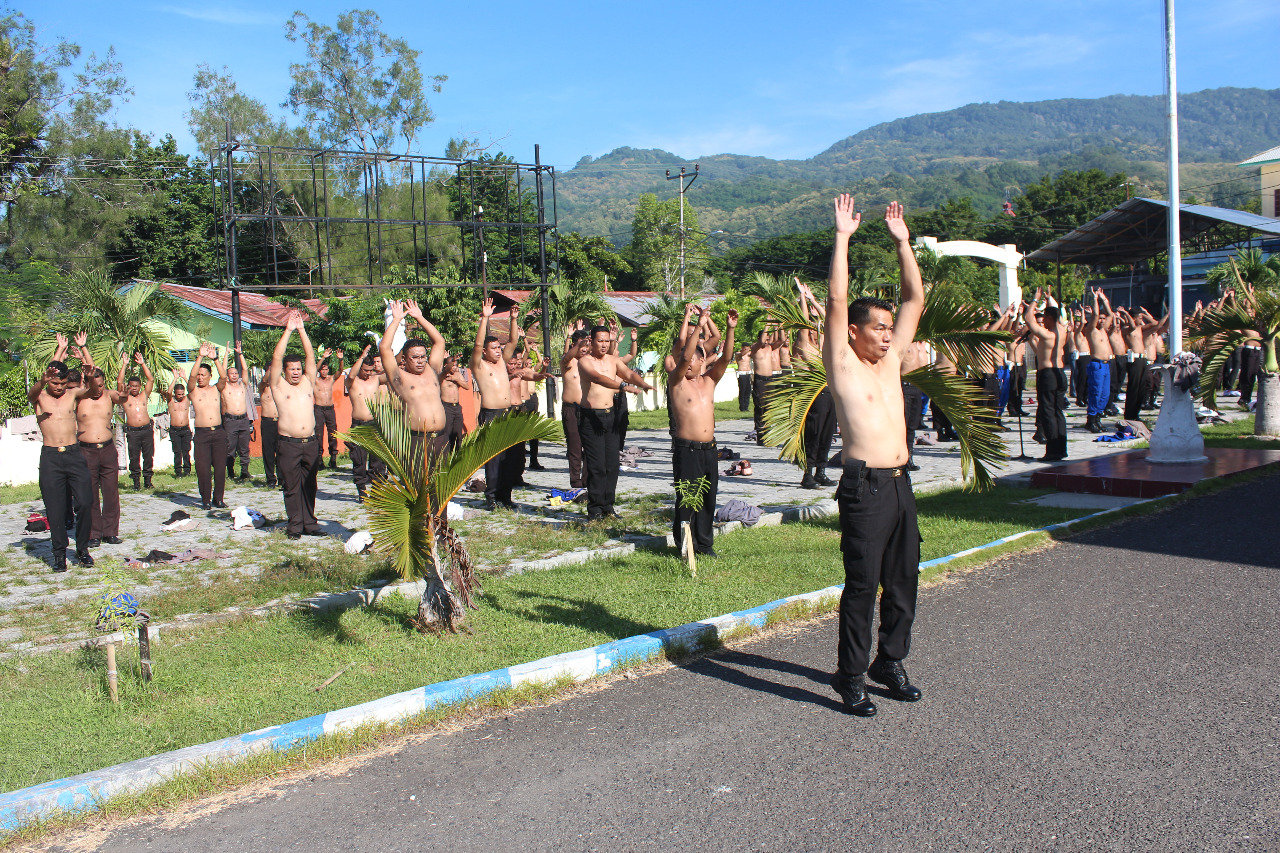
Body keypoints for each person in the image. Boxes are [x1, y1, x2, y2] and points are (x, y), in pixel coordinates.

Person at [824, 195, 925, 718]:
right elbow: (837, 300)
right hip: (864, 489)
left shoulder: (891, 365)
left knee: (904, 579)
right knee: (863, 587)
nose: (888, 335)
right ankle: (851, 676)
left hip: (900, 484)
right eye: (878, 328)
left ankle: (891, 661)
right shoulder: (843, 363)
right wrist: (843, 237)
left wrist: (903, 242)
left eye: (890, 329)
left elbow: (914, 299)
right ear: (855, 333)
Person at [668, 306, 736, 557]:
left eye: (695, 359)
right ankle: (685, 545)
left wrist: (730, 329)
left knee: (707, 499)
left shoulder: (708, 381)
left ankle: (705, 544)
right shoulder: (676, 383)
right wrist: (699, 325)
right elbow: (683, 358)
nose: (688, 363)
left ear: (702, 361)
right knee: (687, 500)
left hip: (710, 450)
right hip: (688, 450)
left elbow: (726, 358)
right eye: (686, 359)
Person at [28, 334, 94, 571]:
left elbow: (93, 387)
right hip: (51, 457)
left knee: (86, 502)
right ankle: (58, 554)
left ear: (68, 382)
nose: (58, 388)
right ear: (48, 382)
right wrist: (56, 356)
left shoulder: (72, 395)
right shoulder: (40, 398)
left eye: (62, 383)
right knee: (54, 508)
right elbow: (34, 391)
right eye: (54, 383)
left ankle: (82, 549)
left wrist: (87, 364)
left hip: (74, 455)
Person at [577, 323, 655, 520]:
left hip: (610, 416)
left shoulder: (613, 360)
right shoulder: (584, 362)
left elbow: (628, 373)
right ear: (591, 341)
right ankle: (595, 508)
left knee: (612, 464)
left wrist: (642, 383)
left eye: (606, 341)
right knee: (597, 466)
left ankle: (608, 506)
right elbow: (598, 378)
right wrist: (622, 387)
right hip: (590, 417)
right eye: (599, 341)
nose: (604, 345)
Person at [268, 311, 322, 539]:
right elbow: (276, 359)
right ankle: (295, 526)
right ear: (285, 371)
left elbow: (310, 357)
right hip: (288, 444)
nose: (297, 371)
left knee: (310, 485)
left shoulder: (308, 383)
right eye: (292, 369)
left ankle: (310, 523)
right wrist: (288, 330)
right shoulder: (279, 386)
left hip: (310, 442)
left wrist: (302, 330)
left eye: (299, 368)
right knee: (291, 487)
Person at [471, 299, 525, 510]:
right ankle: (491, 497)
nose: (497, 351)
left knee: (509, 458)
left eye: (498, 348)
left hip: (507, 413)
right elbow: (476, 345)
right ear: (485, 351)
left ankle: (505, 496)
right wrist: (485, 318)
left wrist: (513, 319)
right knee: (493, 459)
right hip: (491, 414)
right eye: (493, 348)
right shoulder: (479, 365)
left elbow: (512, 341)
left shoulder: (502, 362)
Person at [380, 299, 448, 460]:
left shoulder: (432, 371)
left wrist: (419, 317)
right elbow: (384, 349)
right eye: (415, 357)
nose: (420, 360)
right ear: (404, 359)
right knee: (418, 485)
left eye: (423, 356)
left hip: (441, 438)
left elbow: (439, 342)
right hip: (416, 440)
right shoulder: (400, 378)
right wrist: (396, 320)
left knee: (444, 485)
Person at [75, 351, 125, 549]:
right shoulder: (79, 396)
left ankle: (110, 532)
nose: (98, 388)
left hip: (107, 449)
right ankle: (94, 533)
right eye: (94, 384)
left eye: (101, 384)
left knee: (111, 492)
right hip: (86, 451)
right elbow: (89, 374)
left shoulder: (109, 395)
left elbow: (121, 398)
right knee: (91, 494)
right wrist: (84, 355)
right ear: (87, 383)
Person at [795, 280, 836, 488]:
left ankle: (821, 470)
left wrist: (814, 300)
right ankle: (807, 473)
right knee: (813, 433)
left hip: (831, 393)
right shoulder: (805, 345)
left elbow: (832, 322)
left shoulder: (825, 343)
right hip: (816, 395)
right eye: (810, 324)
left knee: (827, 434)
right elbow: (803, 322)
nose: (812, 327)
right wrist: (803, 298)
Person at [1022, 289, 1069, 462]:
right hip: (1060, 372)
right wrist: (1049, 299)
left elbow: (1028, 319)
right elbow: (1057, 314)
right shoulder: (1062, 331)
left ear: (1049, 318)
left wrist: (1035, 300)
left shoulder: (1048, 334)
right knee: (1058, 411)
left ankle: (1052, 451)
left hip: (1048, 373)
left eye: (1045, 318)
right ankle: (1061, 448)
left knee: (1048, 412)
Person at [345, 344, 388, 502]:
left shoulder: (375, 379)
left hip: (374, 424)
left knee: (377, 460)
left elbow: (391, 372)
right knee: (359, 460)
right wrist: (362, 356)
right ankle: (362, 490)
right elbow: (350, 376)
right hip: (359, 425)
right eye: (365, 370)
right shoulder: (353, 382)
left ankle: (377, 490)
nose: (368, 373)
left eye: (371, 370)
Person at [188, 342, 228, 510]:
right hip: (202, 435)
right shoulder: (193, 391)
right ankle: (205, 499)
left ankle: (218, 498)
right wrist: (200, 356)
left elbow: (224, 378)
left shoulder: (216, 389)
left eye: (203, 375)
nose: (200, 377)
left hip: (218, 433)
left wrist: (216, 359)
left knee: (219, 469)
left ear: (210, 375)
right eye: (199, 375)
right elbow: (190, 378)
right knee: (203, 469)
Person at [118, 352, 156, 490]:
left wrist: (143, 364)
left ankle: (148, 481)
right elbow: (119, 382)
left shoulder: (143, 396)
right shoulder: (125, 398)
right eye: (131, 386)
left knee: (148, 456)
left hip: (146, 430)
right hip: (133, 432)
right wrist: (124, 364)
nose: (134, 388)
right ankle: (136, 482)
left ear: (140, 386)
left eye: (136, 386)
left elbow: (150, 380)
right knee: (134, 457)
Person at [559, 327, 591, 490]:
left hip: (587, 408)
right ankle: (575, 481)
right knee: (574, 446)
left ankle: (587, 480)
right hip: (571, 408)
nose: (584, 349)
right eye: (581, 345)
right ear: (574, 345)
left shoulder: (590, 363)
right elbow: (568, 355)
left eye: (586, 345)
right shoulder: (567, 362)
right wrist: (574, 342)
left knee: (589, 446)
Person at [218, 342, 254, 482]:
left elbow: (245, 370)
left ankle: (245, 471)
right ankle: (230, 471)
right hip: (230, 420)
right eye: (231, 373)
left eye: (235, 373)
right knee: (230, 447)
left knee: (244, 447)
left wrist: (240, 354)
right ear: (227, 376)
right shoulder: (224, 387)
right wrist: (226, 353)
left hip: (243, 420)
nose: (234, 375)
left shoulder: (242, 385)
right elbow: (222, 370)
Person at [1083, 289, 1114, 433]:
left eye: (1103, 318)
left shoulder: (1104, 330)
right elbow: (1095, 315)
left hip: (1106, 365)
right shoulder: (1091, 330)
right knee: (1095, 392)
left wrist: (1105, 300)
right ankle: (1091, 419)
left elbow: (1111, 315)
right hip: (1097, 364)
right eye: (1099, 318)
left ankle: (1098, 417)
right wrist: (1095, 299)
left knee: (1105, 394)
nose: (1102, 320)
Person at [749, 325, 784, 445]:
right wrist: (768, 324)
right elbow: (762, 341)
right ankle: (760, 435)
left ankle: (768, 433)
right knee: (760, 407)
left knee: (769, 408)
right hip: (760, 381)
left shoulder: (770, 348)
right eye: (766, 338)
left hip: (770, 380)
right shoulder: (755, 348)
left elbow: (781, 340)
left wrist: (781, 326)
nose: (767, 341)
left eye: (769, 339)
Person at [313, 348, 344, 470]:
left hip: (330, 409)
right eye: (322, 370)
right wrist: (323, 357)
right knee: (318, 434)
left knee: (333, 433)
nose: (324, 372)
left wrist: (340, 359)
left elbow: (340, 371)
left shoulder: (331, 379)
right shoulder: (315, 381)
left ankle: (333, 459)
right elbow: (313, 370)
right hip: (319, 409)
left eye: (326, 369)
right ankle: (319, 460)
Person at [160, 367, 192, 477]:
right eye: (179, 394)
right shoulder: (171, 402)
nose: (181, 396)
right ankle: (178, 472)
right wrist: (175, 378)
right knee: (177, 452)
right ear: (175, 394)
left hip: (186, 429)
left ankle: (187, 471)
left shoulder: (187, 400)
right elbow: (168, 392)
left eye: (182, 394)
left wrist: (184, 377)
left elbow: (193, 390)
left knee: (186, 452)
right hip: (175, 430)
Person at [257, 376, 280, 489]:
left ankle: (283, 478)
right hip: (268, 422)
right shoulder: (263, 388)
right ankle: (271, 478)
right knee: (268, 452)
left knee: (281, 451)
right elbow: (264, 381)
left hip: (280, 421)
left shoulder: (280, 387)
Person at [735, 344, 752, 412]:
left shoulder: (749, 354)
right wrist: (746, 350)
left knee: (748, 390)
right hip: (742, 374)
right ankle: (742, 407)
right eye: (745, 348)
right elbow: (742, 354)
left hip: (748, 373)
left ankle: (746, 406)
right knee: (743, 390)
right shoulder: (738, 354)